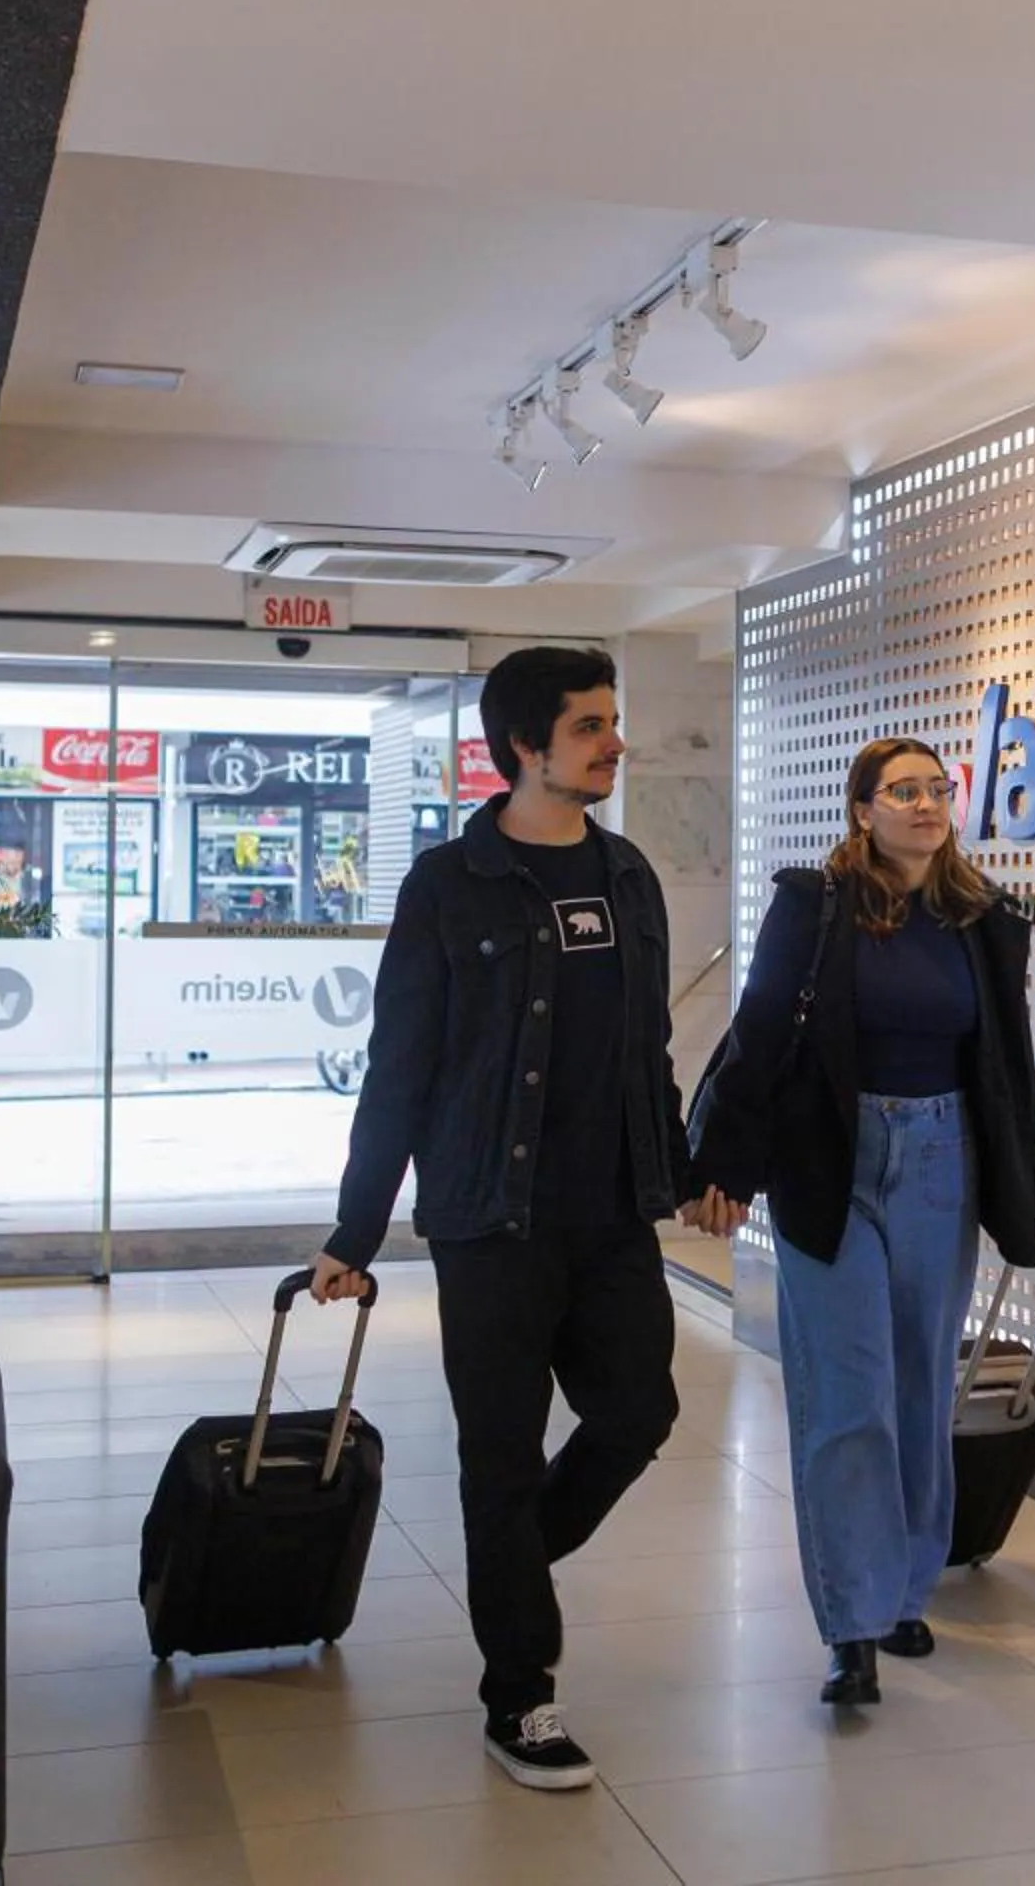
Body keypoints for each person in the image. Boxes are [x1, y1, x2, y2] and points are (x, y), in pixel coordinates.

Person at [309, 646, 687, 1791]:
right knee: (502, 1457)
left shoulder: (628, 874)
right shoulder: (448, 883)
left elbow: (650, 1051)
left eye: (612, 721)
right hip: (490, 1219)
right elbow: (401, 1067)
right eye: (589, 726)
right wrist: (355, 1231)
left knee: (639, 1411)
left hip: (612, 1215)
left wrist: (681, 1170)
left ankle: (511, 1558)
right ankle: (519, 1693)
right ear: (525, 746)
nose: (613, 743)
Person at [684, 736, 1035, 1707]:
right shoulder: (814, 906)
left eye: (938, 788)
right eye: (903, 790)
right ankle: (853, 1621)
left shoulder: (981, 918)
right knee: (848, 1395)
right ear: (862, 810)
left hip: (942, 1162)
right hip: (833, 1160)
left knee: (917, 1387)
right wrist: (724, 1167)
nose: (926, 803)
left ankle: (907, 1588)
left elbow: (1007, 1067)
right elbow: (761, 1030)